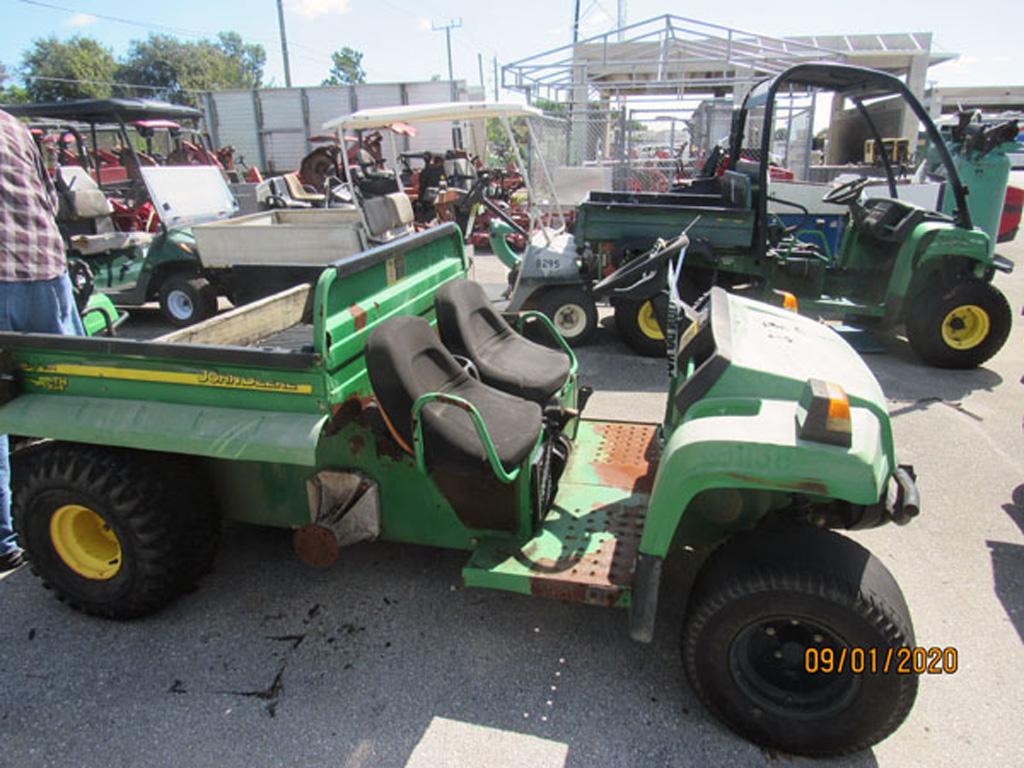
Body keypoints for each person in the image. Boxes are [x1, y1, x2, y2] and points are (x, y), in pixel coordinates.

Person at [0, 108, 85, 572]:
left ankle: (2, 540)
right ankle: (101, 482)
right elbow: (49, 200)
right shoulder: (12, 125)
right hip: (46, 265)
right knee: (80, 383)